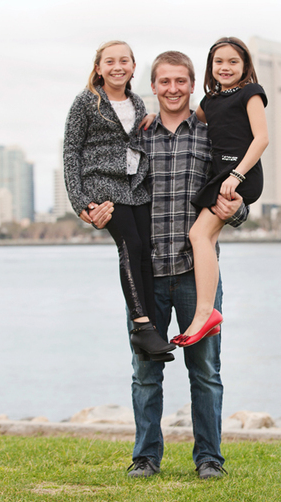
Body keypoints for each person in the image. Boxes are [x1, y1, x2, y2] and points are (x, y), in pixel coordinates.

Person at [89, 50, 248, 480]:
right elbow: (113, 193)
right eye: (165, 82)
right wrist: (92, 209)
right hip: (146, 276)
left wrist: (235, 209)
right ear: (154, 86)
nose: (173, 89)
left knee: (206, 373)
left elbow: (238, 201)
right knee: (145, 374)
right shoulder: (136, 137)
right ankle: (146, 457)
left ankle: (209, 459)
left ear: (192, 85)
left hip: (198, 277)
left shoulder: (212, 135)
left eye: (181, 81)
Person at [63, 40, 175, 361]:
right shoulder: (86, 102)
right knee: (131, 247)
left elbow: (138, 139)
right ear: (98, 68)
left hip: (135, 187)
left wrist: (152, 121)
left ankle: (151, 330)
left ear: (133, 67)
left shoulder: (138, 103)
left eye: (124, 61)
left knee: (146, 253)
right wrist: (80, 201)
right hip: (103, 187)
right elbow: (71, 151)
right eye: (109, 61)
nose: (117, 67)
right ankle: (141, 327)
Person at [169, 37, 269, 348]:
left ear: (245, 66)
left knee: (198, 235)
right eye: (219, 62)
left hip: (241, 176)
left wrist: (238, 175)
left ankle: (204, 314)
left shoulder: (251, 93)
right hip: (219, 177)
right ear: (211, 67)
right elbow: (187, 123)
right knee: (206, 239)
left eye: (233, 62)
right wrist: (152, 119)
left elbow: (262, 138)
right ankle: (208, 318)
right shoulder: (209, 102)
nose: (225, 67)